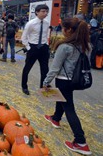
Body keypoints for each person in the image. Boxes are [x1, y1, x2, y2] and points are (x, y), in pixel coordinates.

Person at [43, 18, 92, 155]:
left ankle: (81, 142)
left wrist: (46, 81)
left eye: (63, 28)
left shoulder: (64, 47)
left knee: (69, 107)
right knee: (63, 99)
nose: (62, 31)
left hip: (63, 79)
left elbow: (55, 67)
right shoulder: (85, 44)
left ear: (68, 30)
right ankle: (56, 118)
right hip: (74, 80)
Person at [21, 4, 50, 95]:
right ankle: (24, 86)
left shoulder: (46, 23)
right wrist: (29, 48)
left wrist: (46, 45)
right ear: (37, 12)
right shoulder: (31, 23)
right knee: (27, 68)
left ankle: (43, 87)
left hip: (44, 48)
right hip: (33, 47)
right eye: (43, 11)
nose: (45, 13)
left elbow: (46, 35)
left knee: (45, 69)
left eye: (46, 12)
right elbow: (24, 37)